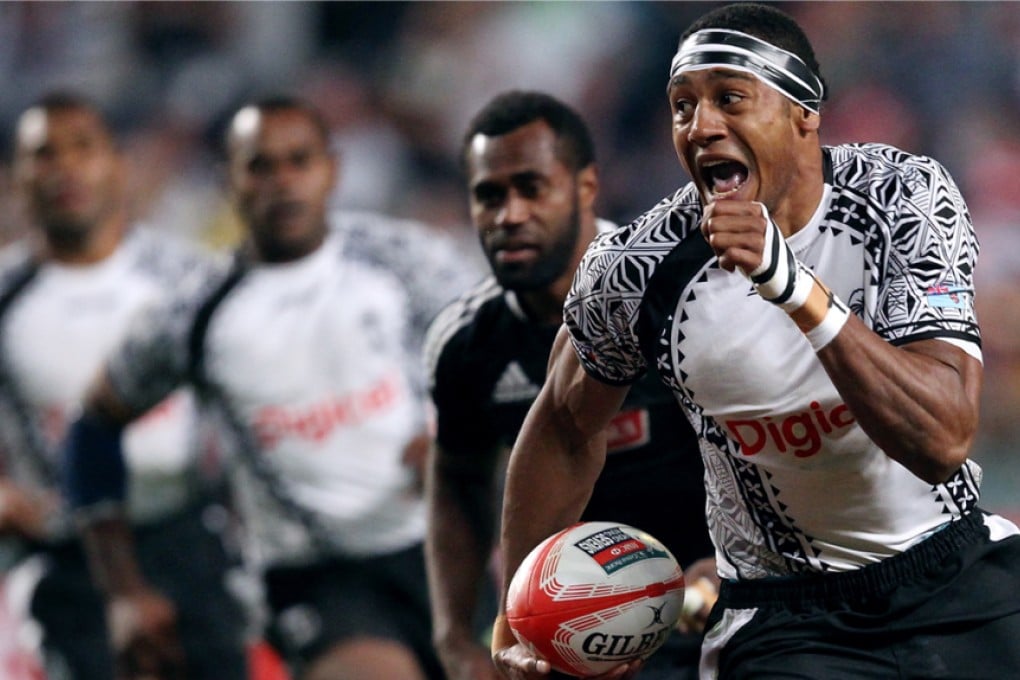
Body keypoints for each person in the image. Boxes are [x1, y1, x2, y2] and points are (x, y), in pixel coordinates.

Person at [489, 4, 1020, 679]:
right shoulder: (637, 267)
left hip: (956, 572)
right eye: (683, 106)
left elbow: (941, 441)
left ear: (804, 112)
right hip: (785, 616)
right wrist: (517, 616)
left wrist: (791, 286)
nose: (702, 125)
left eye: (730, 99)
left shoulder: (904, 200)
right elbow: (564, 426)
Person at [60, 95, 476, 680]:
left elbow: (504, 366)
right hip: (313, 577)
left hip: (446, 548)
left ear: (331, 169)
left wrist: (450, 440)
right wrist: (122, 591)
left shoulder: (405, 261)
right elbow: (92, 429)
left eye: (298, 160)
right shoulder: (192, 312)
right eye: (260, 165)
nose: (283, 182)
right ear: (226, 180)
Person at [423, 90, 716, 680]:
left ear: (585, 187)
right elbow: (456, 475)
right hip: (573, 629)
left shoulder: (684, 291)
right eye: (489, 195)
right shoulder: (464, 345)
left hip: (722, 597)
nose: (509, 215)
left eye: (531, 188)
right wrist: (456, 636)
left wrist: (733, 565)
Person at [0, 92, 247, 680]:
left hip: (191, 541)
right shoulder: (6, 296)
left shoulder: (188, 279)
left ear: (119, 164)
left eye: (83, 148)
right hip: (65, 561)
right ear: (17, 176)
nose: (65, 167)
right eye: (44, 153)